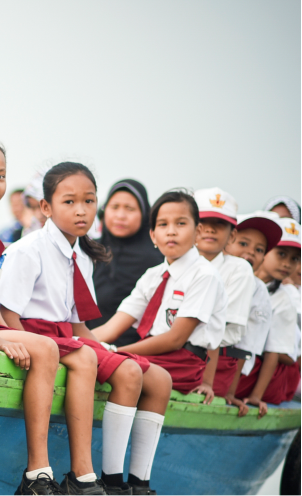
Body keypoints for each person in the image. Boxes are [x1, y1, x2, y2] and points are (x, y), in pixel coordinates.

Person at [0, 162, 160, 496]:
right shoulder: (28, 249)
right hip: (33, 333)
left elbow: (78, 325)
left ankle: (122, 482)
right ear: (46, 207)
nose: (81, 210)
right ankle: (82, 475)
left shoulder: (82, 255)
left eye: (88, 201)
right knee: (86, 358)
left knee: (147, 375)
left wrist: (108, 351)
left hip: (65, 336)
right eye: (69, 201)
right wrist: (25, 349)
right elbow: (6, 313)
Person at [0, 137, 96, 495]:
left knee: (72, 353)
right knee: (45, 348)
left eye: (0, 176)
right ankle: (37, 472)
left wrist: (1, 329)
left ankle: (73, 474)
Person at [90, 189, 225, 494]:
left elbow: (176, 338)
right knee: (94, 357)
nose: (171, 231)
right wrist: (81, 343)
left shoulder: (204, 275)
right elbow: (113, 326)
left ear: (198, 231)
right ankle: (135, 485)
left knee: (124, 369)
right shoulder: (153, 275)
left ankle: (114, 482)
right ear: (152, 234)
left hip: (184, 360)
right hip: (155, 357)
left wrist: (116, 352)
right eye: (163, 225)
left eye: (181, 223)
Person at [185, 188, 258, 406]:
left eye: (219, 223)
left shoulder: (239, 269)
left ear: (232, 235)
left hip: (214, 364)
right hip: (172, 350)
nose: (209, 229)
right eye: (202, 221)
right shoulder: (178, 262)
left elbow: (216, 327)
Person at [219, 210, 283, 416]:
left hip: (226, 368)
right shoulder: (209, 271)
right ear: (227, 241)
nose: (250, 252)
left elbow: (245, 346)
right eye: (243, 243)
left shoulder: (258, 290)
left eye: (259, 249)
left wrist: (230, 391)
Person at [236, 216, 302, 410]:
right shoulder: (241, 278)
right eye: (281, 254)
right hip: (240, 358)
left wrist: (256, 396)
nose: (287, 264)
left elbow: (274, 351)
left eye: (294, 259)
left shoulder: (284, 298)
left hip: (266, 370)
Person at [91, 179, 165, 346]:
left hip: (139, 350)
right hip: (90, 346)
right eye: (114, 207)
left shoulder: (158, 259)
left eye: (130, 209)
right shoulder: (89, 251)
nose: (120, 216)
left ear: (144, 214)